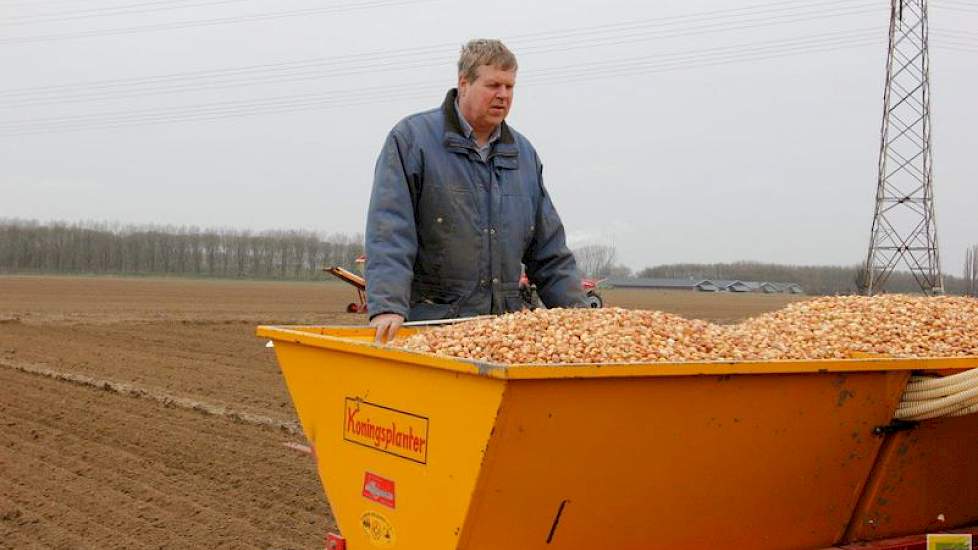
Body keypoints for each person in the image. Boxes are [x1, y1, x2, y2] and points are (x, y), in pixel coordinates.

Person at [365, 38, 584, 343]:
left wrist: (582, 317)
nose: (503, 96)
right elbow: (390, 230)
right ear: (464, 83)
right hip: (434, 327)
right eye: (493, 85)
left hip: (502, 332)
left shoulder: (522, 155)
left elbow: (549, 251)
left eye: (510, 87)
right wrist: (387, 306)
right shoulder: (412, 141)